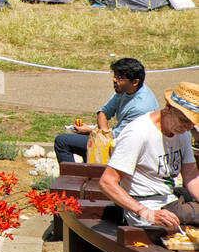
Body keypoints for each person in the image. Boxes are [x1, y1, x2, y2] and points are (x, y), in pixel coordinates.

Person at [99, 83, 199, 231]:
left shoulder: (182, 132)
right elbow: (107, 182)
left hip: (169, 199)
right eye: (184, 120)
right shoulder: (138, 133)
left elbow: (191, 175)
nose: (187, 127)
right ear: (168, 108)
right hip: (146, 205)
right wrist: (145, 212)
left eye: (192, 123)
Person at [54, 58, 157, 164]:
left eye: (120, 77)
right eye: (115, 75)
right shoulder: (125, 90)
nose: (114, 80)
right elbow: (103, 112)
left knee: (62, 141)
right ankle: (90, 174)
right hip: (117, 139)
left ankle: (72, 179)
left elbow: (120, 137)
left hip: (128, 148)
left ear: (135, 82)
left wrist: (92, 131)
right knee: (92, 141)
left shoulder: (140, 107)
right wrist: (101, 133)